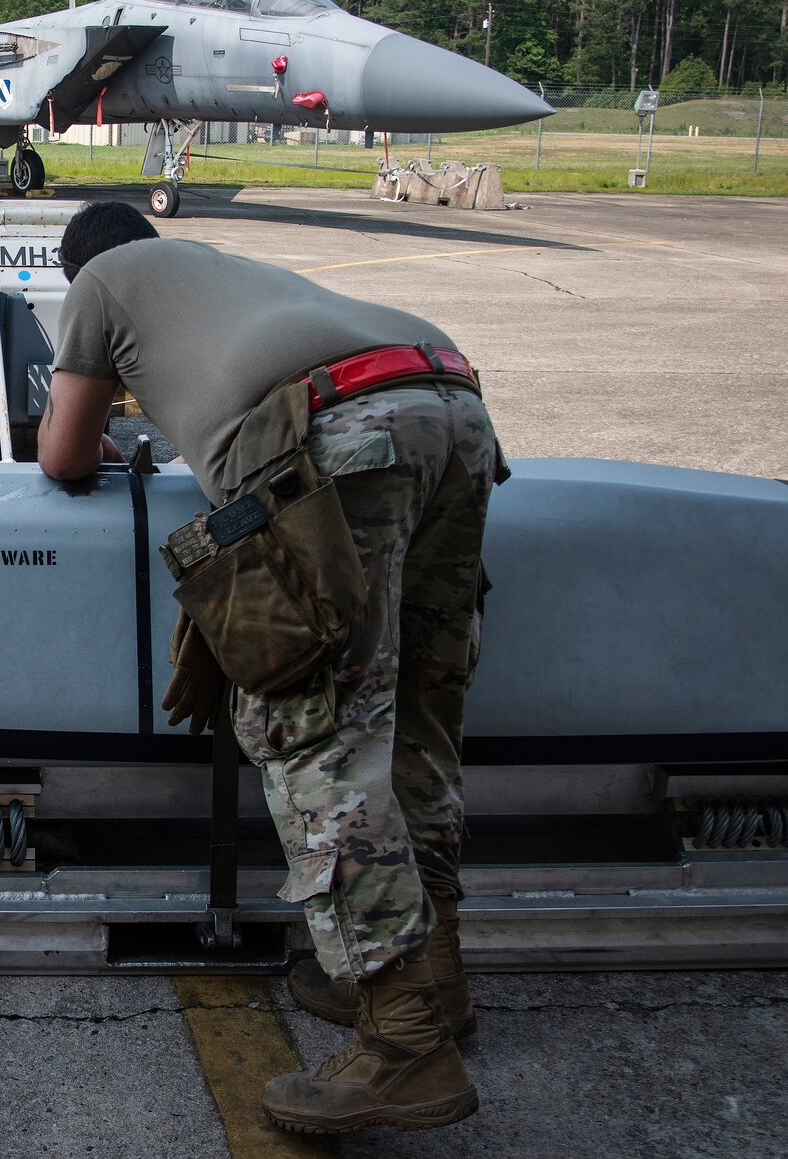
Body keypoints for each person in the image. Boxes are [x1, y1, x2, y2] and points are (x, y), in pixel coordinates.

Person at [37, 202, 499, 1136]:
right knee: (417, 709)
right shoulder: (219, 267)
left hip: (336, 433)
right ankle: (438, 980)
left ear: (74, 264)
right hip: (450, 399)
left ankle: (405, 1040)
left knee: (316, 730)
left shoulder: (97, 281)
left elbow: (64, 457)